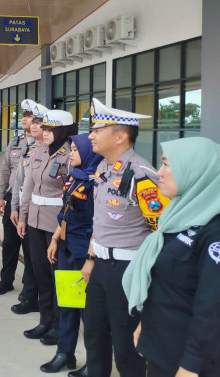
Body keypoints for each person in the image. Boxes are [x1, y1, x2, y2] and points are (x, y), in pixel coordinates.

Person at [81, 98, 170, 377]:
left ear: (120, 136)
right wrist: (90, 257)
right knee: (94, 334)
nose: (91, 135)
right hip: (101, 267)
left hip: (128, 271)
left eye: (98, 130)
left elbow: (161, 230)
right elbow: (101, 220)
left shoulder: (142, 175)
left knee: (125, 344)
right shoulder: (103, 169)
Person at [122, 137, 220, 377]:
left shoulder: (213, 231)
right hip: (161, 347)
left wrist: (190, 366)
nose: (158, 172)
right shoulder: (176, 215)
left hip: (190, 362)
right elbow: (162, 284)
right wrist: (146, 325)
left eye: (167, 164)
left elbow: (211, 308)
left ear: (195, 171)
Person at [42, 133, 103, 373]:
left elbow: (99, 224)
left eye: (76, 149)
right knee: (67, 302)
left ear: (88, 152)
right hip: (67, 247)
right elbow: (66, 212)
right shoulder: (75, 177)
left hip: (83, 252)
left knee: (87, 310)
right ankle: (64, 353)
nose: (71, 153)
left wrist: (90, 258)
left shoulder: (96, 182)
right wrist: (55, 238)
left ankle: (94, 362)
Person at [18, 110, 77, 347]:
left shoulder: (71, 155)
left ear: (63, 130)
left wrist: (62, 226)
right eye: (46, 128)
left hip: (57, 224)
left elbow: (73, 194)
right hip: (34, 219)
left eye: (51, 129)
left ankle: (58, 326)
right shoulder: (39, 151)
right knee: (41, 273)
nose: (46, 132)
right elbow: (28, 186)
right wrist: (23, 217)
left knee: (57, 277)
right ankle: (45, 320)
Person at [10, 101, 49, 314]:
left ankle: (36, 300)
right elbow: (20, 181)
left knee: (39, 262)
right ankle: (29, 296)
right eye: (32, 121)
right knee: (31, 256)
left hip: (45, 216)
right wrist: (15, 207)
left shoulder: (55, 152)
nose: (33, 126)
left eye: (39, 122)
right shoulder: (28, 147)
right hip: (28, 211)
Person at [0, 99, 35, 296]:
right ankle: (6, 280)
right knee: (9, 243)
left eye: (30, 116)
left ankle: (29, 288)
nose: (25, 119)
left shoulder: (42, 145)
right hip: (12, 198)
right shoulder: (15, 142)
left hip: (31, 202)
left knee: (28, 247)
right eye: (24, 115)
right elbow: (5, 170)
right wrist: (1, 195)